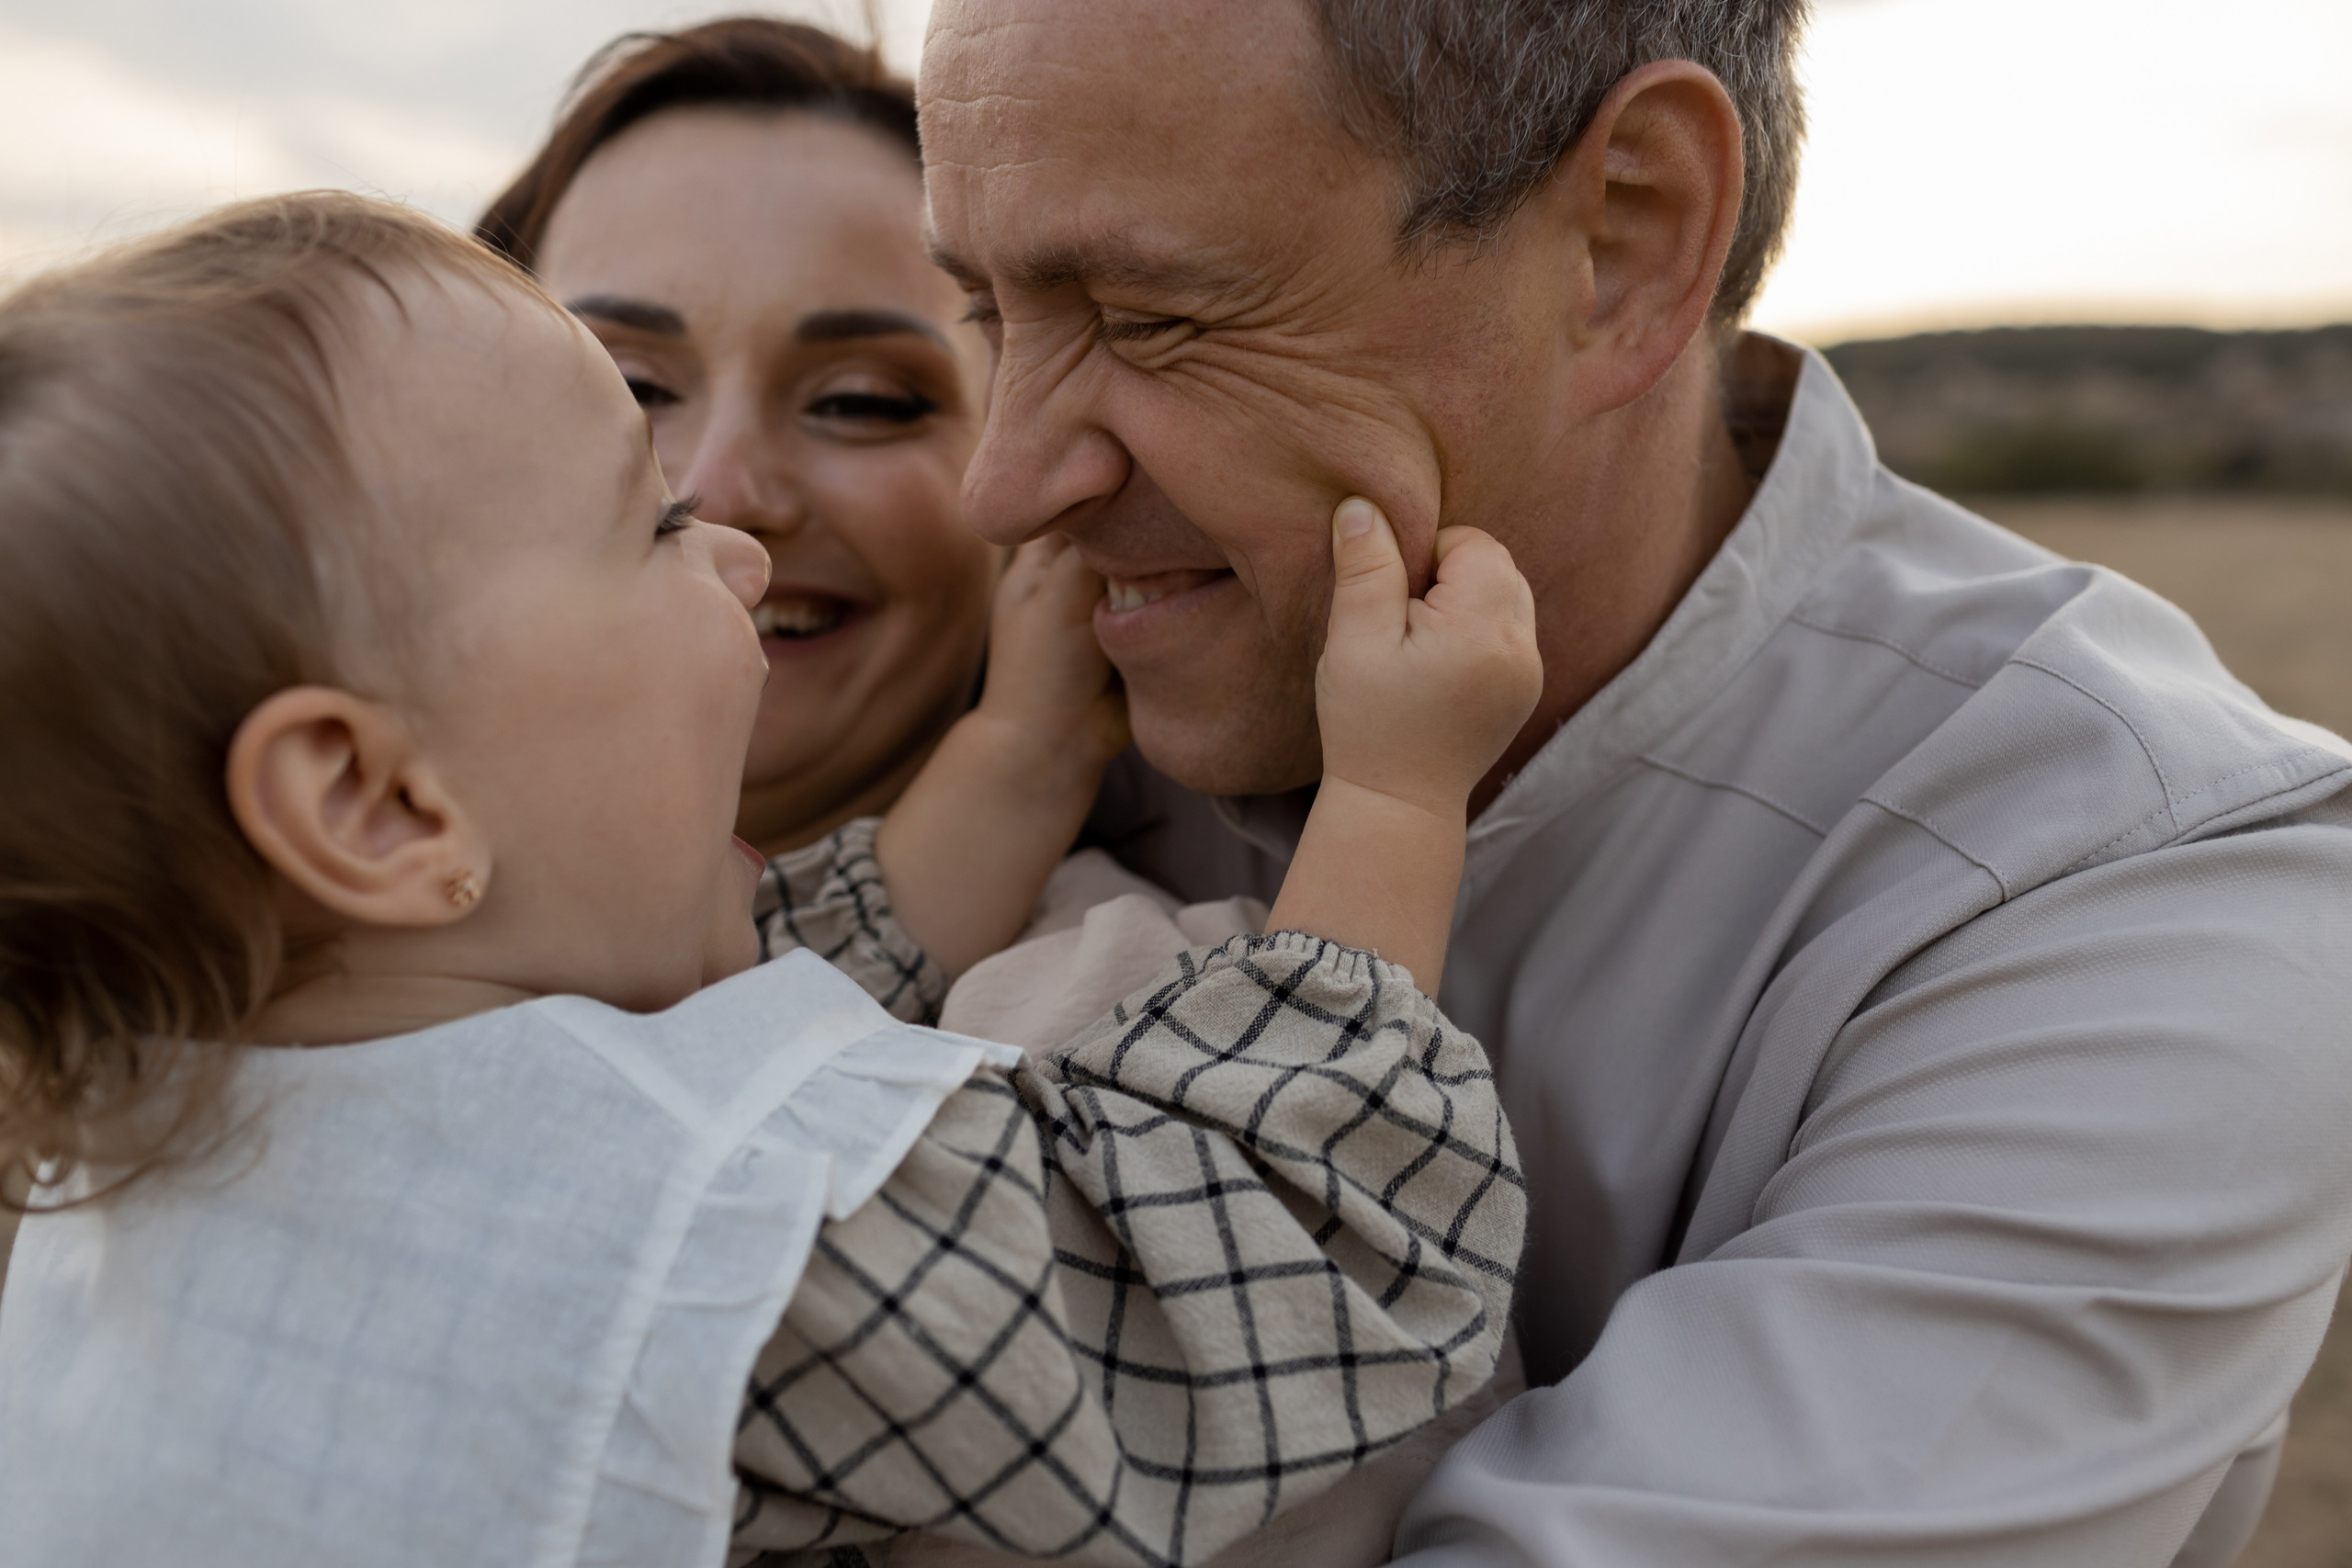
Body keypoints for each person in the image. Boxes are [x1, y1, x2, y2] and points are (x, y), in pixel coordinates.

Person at [913, 1, 2352, 1563]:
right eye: (985, 311)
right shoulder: (1016, 696)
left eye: (1150, 315)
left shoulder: (2142, 899)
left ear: (1628, 240)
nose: (1006, 483)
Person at [0, 193, 1537, 1566]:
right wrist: (1395, 790)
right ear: (373, 801)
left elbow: (762, 997)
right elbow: (1254, 1270)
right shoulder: (690, 1242)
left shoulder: (150, 1167)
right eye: (650, 519)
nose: (730, 541)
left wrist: (1012, 750)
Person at [473, 18, 1280, 1032]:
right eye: (624, 385)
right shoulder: (247, 907)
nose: (718, 490)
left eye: (860, 401)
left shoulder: (1120, 1045)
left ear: (1035, 495)